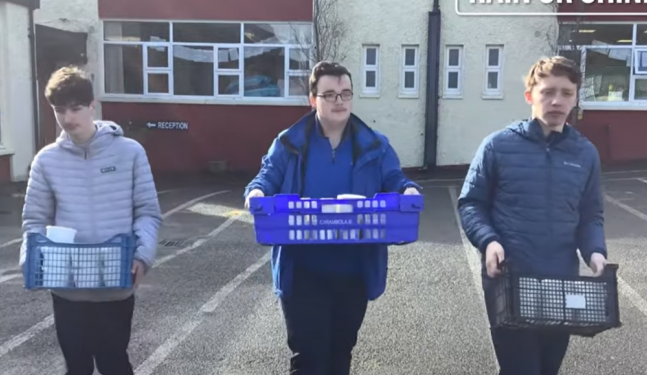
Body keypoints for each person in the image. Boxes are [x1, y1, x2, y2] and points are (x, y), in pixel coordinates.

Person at [244, 61, 421, 375]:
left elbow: (395, 178)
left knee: (340, 356)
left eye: (345, 94)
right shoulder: (289, 143)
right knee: (309, 359)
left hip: (353, 271)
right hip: (303, 271)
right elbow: (267, 176)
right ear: (313, 100)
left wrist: (407, 190)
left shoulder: (375, 145)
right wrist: (257, 193)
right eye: (329, 94)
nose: (339, 101)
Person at [457, 56, 608, 375]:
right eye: (548, 91)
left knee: (548, 368)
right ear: (530, 95)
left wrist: (595, 251)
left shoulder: (586, 153)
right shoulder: (497, 146)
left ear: (576, 97)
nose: (557, 100)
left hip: (560, 282)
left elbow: (591, 214)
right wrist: (489, 242)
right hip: (509, 280)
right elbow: (471, 203)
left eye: (567, 92)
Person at [19, 66, 162, 375]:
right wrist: (30, 260)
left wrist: (142, 256)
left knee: (114, 364)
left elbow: (147, 212)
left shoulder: (130, 152)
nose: (68, 118)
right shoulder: (46, 161)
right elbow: (35, 220)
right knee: (77, 367)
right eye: (59, 110)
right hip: (67, 288)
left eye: (76, 108)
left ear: (92, 106)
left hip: (115, 284)